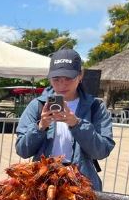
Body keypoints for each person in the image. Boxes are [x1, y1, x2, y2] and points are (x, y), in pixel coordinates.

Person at [15, 48, 114, 191]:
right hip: (42, 183)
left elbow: (102, 151)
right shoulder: (37, 105)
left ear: (80, 76)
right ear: (49, 78)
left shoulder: (95, 106)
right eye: (56, 79)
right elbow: (22, 150)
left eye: (68, 78)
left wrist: (77, 124)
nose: (62, 84)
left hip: (81, 184)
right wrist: (40, 126)